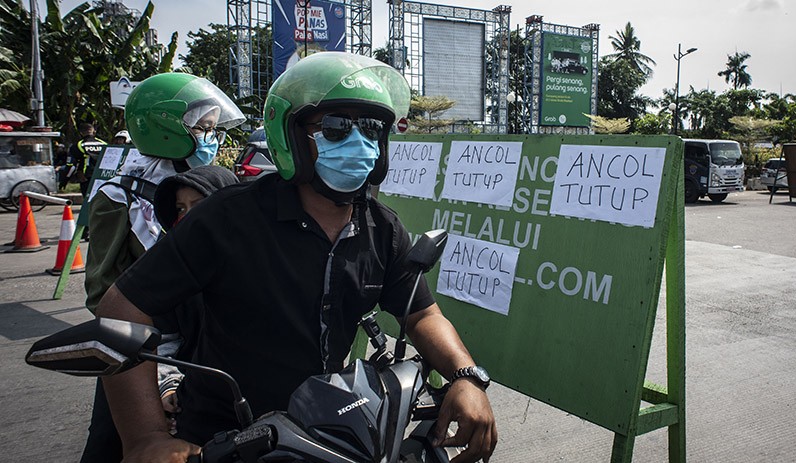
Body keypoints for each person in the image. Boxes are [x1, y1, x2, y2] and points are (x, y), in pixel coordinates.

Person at [96, 52, 497, 463]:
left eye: (372, 129)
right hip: (222, 443)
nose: (359, 143)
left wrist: (466, 377)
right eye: (337, 127)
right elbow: (121, 309)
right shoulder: (226, 219)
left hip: (332, 433)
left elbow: (421, 315)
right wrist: (145, 437)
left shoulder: (383, 229)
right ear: (290, 135)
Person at [80, 72, 245, 463]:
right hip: (142, 352)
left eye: (212, 129)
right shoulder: (120, 196)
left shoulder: (217, 189)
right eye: (202, 128)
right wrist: (148, 347)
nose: (211, 138)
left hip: (209, 354)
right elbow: (102, 289)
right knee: (117, 442)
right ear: (164, 129)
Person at [152, 165, 241, 434]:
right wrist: (169, 386)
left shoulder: (261, 264)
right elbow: (162, 344)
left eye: (200, 204)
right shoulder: (169, 274)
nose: (190, 216)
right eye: (180, 209)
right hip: (193, 405)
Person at [66, 122, 106, 197]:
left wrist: (65, 179)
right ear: (94, 131)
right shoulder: (104, 144)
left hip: (86, 176)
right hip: (102, 175)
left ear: (81, 133)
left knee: (88, 198)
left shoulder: (78, 145)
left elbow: (71, 165)